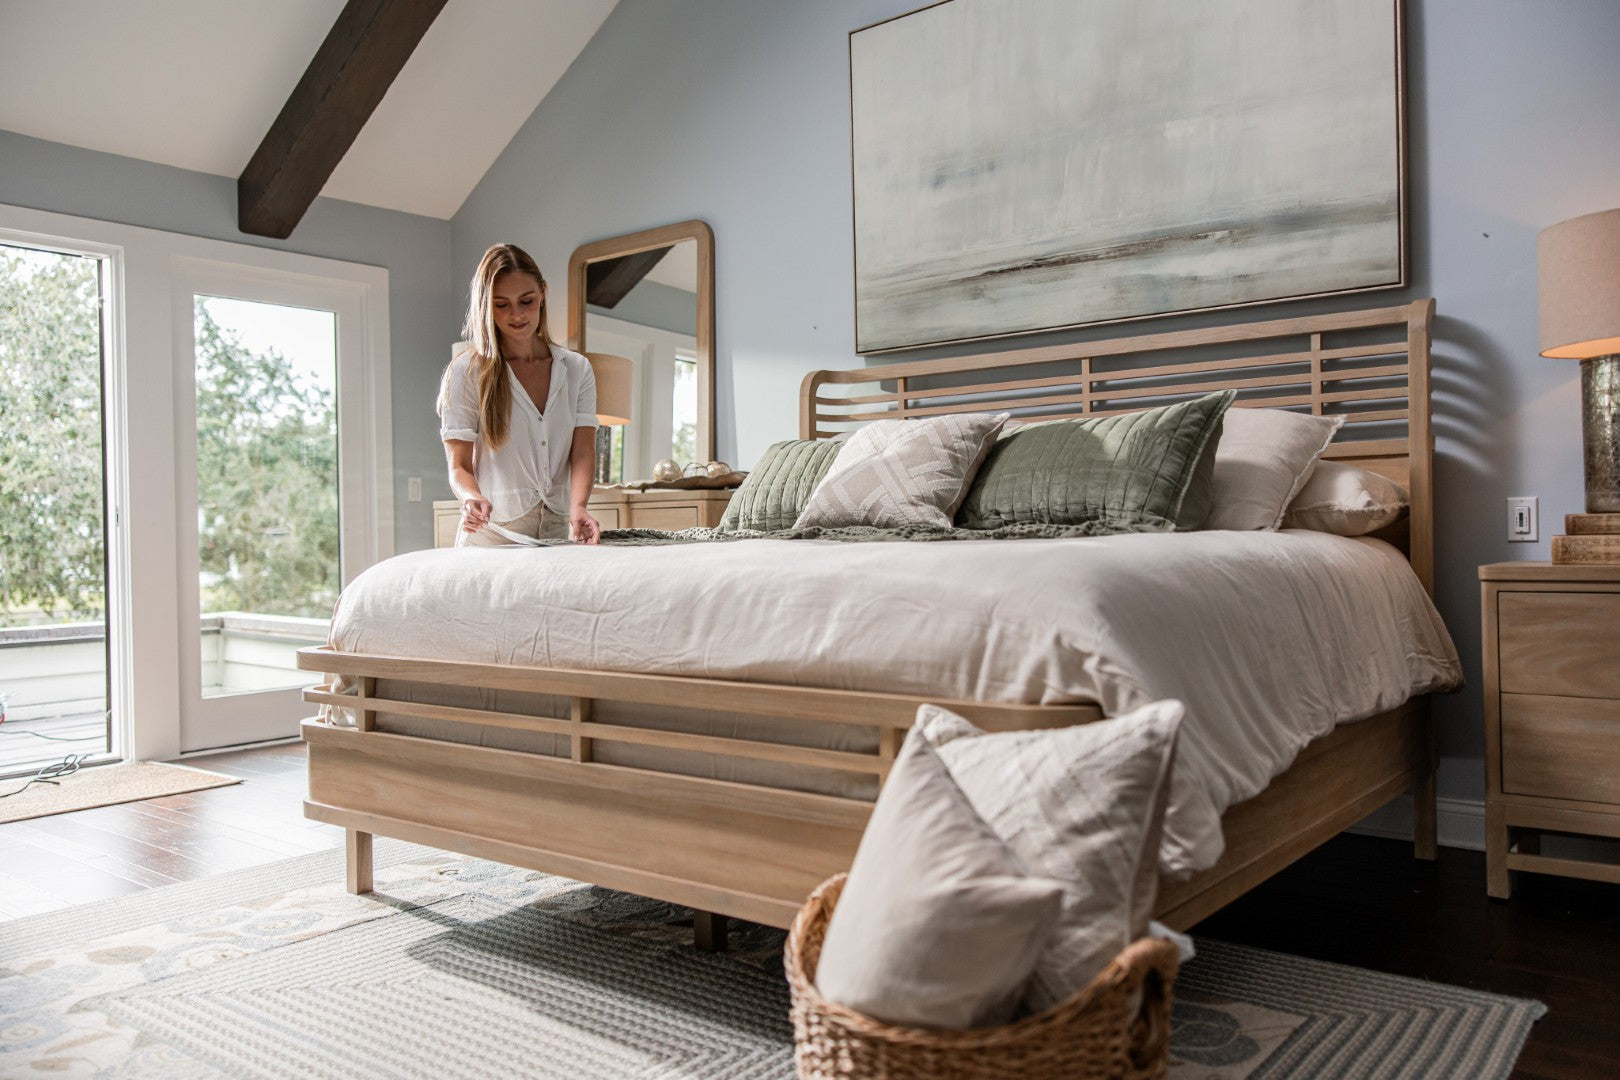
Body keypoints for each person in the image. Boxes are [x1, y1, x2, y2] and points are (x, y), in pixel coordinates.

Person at [438, 243, 602, 546]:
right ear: (487, 306)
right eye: (502, 305)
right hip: (492, 534)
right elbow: (459, 465)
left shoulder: (576, 369)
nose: (517, 314)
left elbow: (582, 452)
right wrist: (471, 497)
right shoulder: (467, 372)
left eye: (526, 301)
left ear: (543, 292)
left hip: (553, 532)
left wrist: (578, 506)